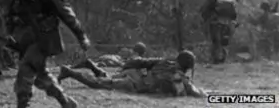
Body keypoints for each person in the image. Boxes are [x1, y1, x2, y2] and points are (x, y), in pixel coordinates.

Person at [6, 0, 90, 108]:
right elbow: (11, 14)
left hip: (44, 38)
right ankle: (65, 101)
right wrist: (10, 34)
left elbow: (66, 13)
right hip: (27, 38)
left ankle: (22, 104)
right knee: (40, 76)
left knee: (25, 69)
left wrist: (81, 36)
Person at [58, 50, 205, 98]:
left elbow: (143, 62)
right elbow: (191, 92)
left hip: (132, 74)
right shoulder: (178, 76)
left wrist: (126, 67)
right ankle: (70, 72)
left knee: (105, 79)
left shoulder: (165, 61)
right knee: (98, 84)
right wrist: (209, 95)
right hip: (132, 84)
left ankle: (90, 66)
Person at [199, 0, 237, 64]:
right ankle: (223, 58)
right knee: (224, 43)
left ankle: (215, 59)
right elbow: (234, 14)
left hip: (215, 23)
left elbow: (203, 11)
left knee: (215, 42)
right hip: (228, 23)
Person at [71, 42, 147, 74]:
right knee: (99, 64)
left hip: (111, 59)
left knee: (96, 63)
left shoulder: (132, 57)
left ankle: (81, 63)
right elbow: (124, 64)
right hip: (112, 60)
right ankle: (83, 62)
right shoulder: (135, 58)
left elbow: (124, 63)